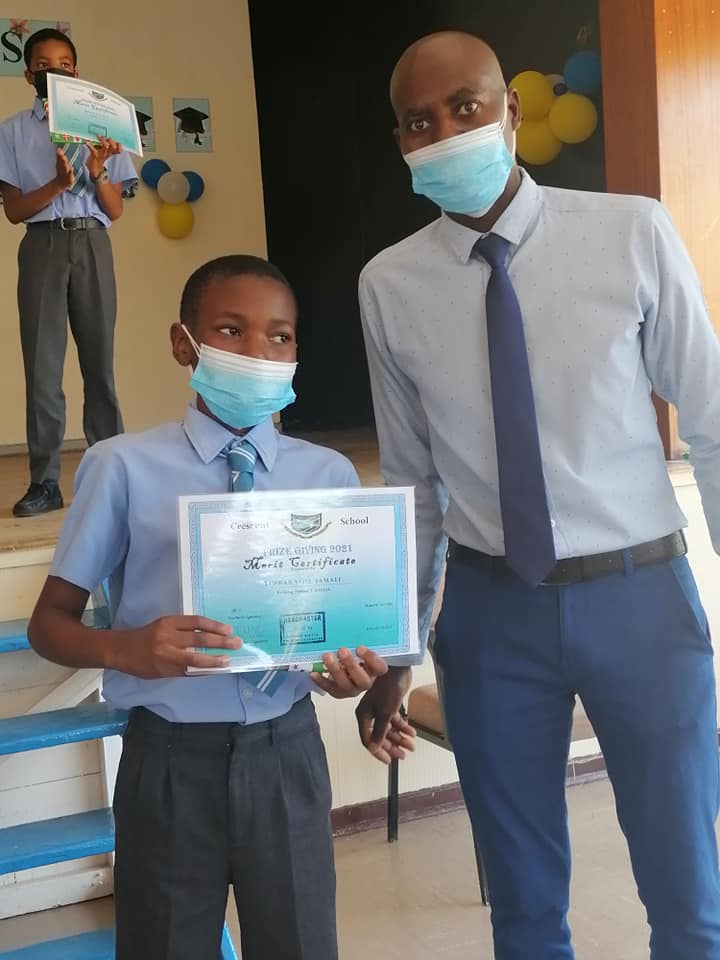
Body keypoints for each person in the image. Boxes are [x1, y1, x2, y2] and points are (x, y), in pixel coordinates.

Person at [355, 30, 720, 960]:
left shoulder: (631, 232)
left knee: (688, 888)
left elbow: (713, 416)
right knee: (520, 904)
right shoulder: (389, 286)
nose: (445, 133)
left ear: (511, 110)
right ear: (399, 143)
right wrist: (398, 644)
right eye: (419, 123)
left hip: (639, 597)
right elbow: (413, 483)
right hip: (490, 614)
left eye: (466, 108)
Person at [28, 254, 416, 960]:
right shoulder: (121, 467)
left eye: (280, 336)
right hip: (168, 764)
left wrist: (346, 674)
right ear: (185, 344)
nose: (258, 352)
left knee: (300, 944)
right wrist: (125, 648)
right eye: (231, 330)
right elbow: (48, 624)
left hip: (287, 754)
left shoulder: (327, 475)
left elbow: (332, 634)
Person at [0, 28, 137, 518]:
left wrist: (97, 171)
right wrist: (58, 183)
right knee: (42, 369)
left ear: (76, 72)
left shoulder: (104, 126)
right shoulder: (13, 131)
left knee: (100, 366)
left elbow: (115, 210)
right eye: (42, 65)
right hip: (42, 244)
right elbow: (14, 211)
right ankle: (45, 482)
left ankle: (110, 479)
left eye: (63, 64)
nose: (53, 71)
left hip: (93, 241)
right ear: (28, 74)